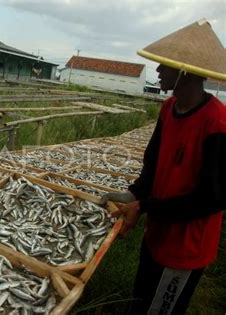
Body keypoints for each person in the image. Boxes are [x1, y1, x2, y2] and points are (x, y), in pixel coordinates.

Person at [101, 19, 226, 314]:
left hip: (186, 247)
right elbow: (153, 163)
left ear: (184, 72)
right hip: (157, 235)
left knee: (162, 309)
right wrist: (134, 194)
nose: (157, 71)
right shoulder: (169, 108)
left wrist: (145, 206)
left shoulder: (217, 124)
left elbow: (212, 198)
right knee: (140, 302)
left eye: (164, 66)